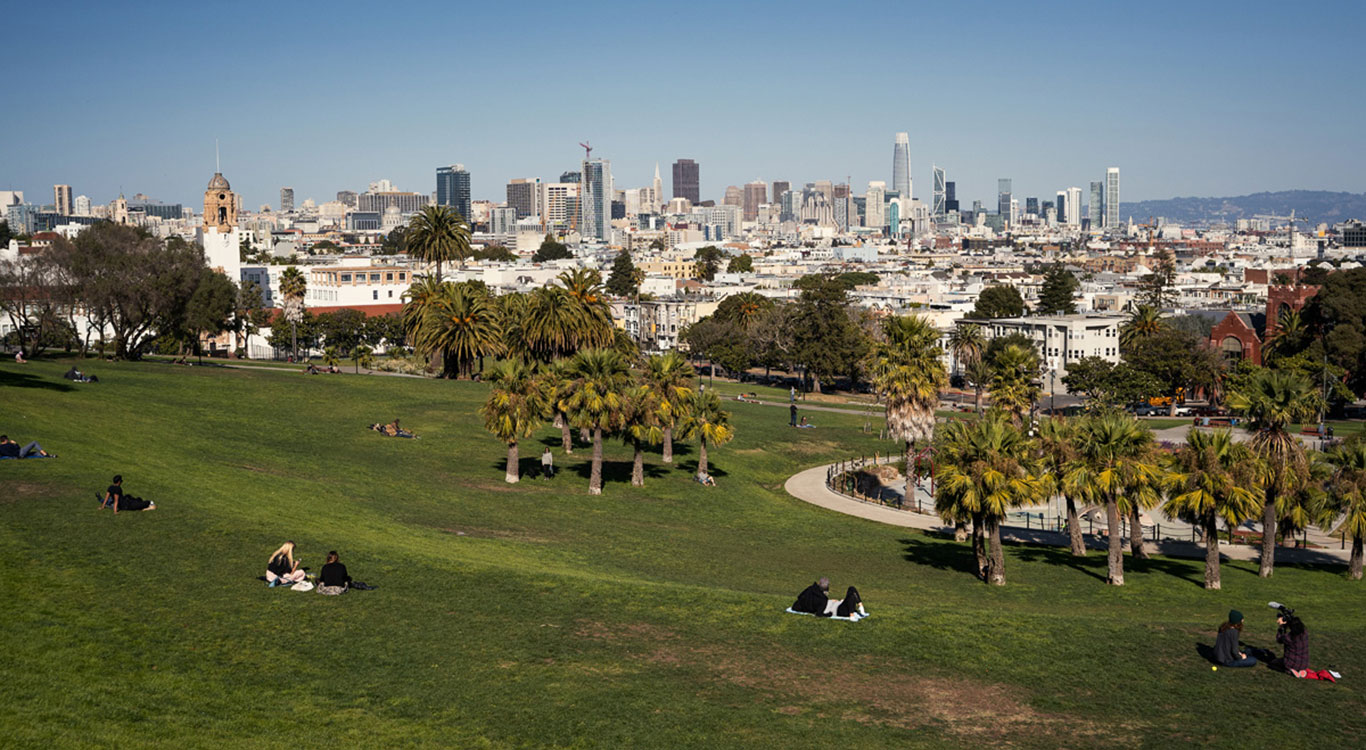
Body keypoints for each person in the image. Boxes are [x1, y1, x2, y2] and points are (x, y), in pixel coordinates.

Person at [1274, 610, 1310, 677]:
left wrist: (1281, 627)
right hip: (1304, 663)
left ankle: (1290, 670)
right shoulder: (1305, 633)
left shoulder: (1288, 637)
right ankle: (1301, 670)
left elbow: (1279, 639)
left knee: (1273, 663)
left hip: (1291, 663)